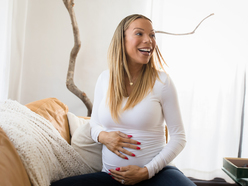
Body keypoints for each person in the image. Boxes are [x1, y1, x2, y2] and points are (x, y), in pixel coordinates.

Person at [51, 14, 196, 186]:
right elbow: (94, 125)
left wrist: (146, 172)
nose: (149, 40)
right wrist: (104, 136)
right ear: (122, 39)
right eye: (139, 33)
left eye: (152, 35)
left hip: (156, 176)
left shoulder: (162, 82)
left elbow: (179, 138)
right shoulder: (105, 79)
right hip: (112, 177)